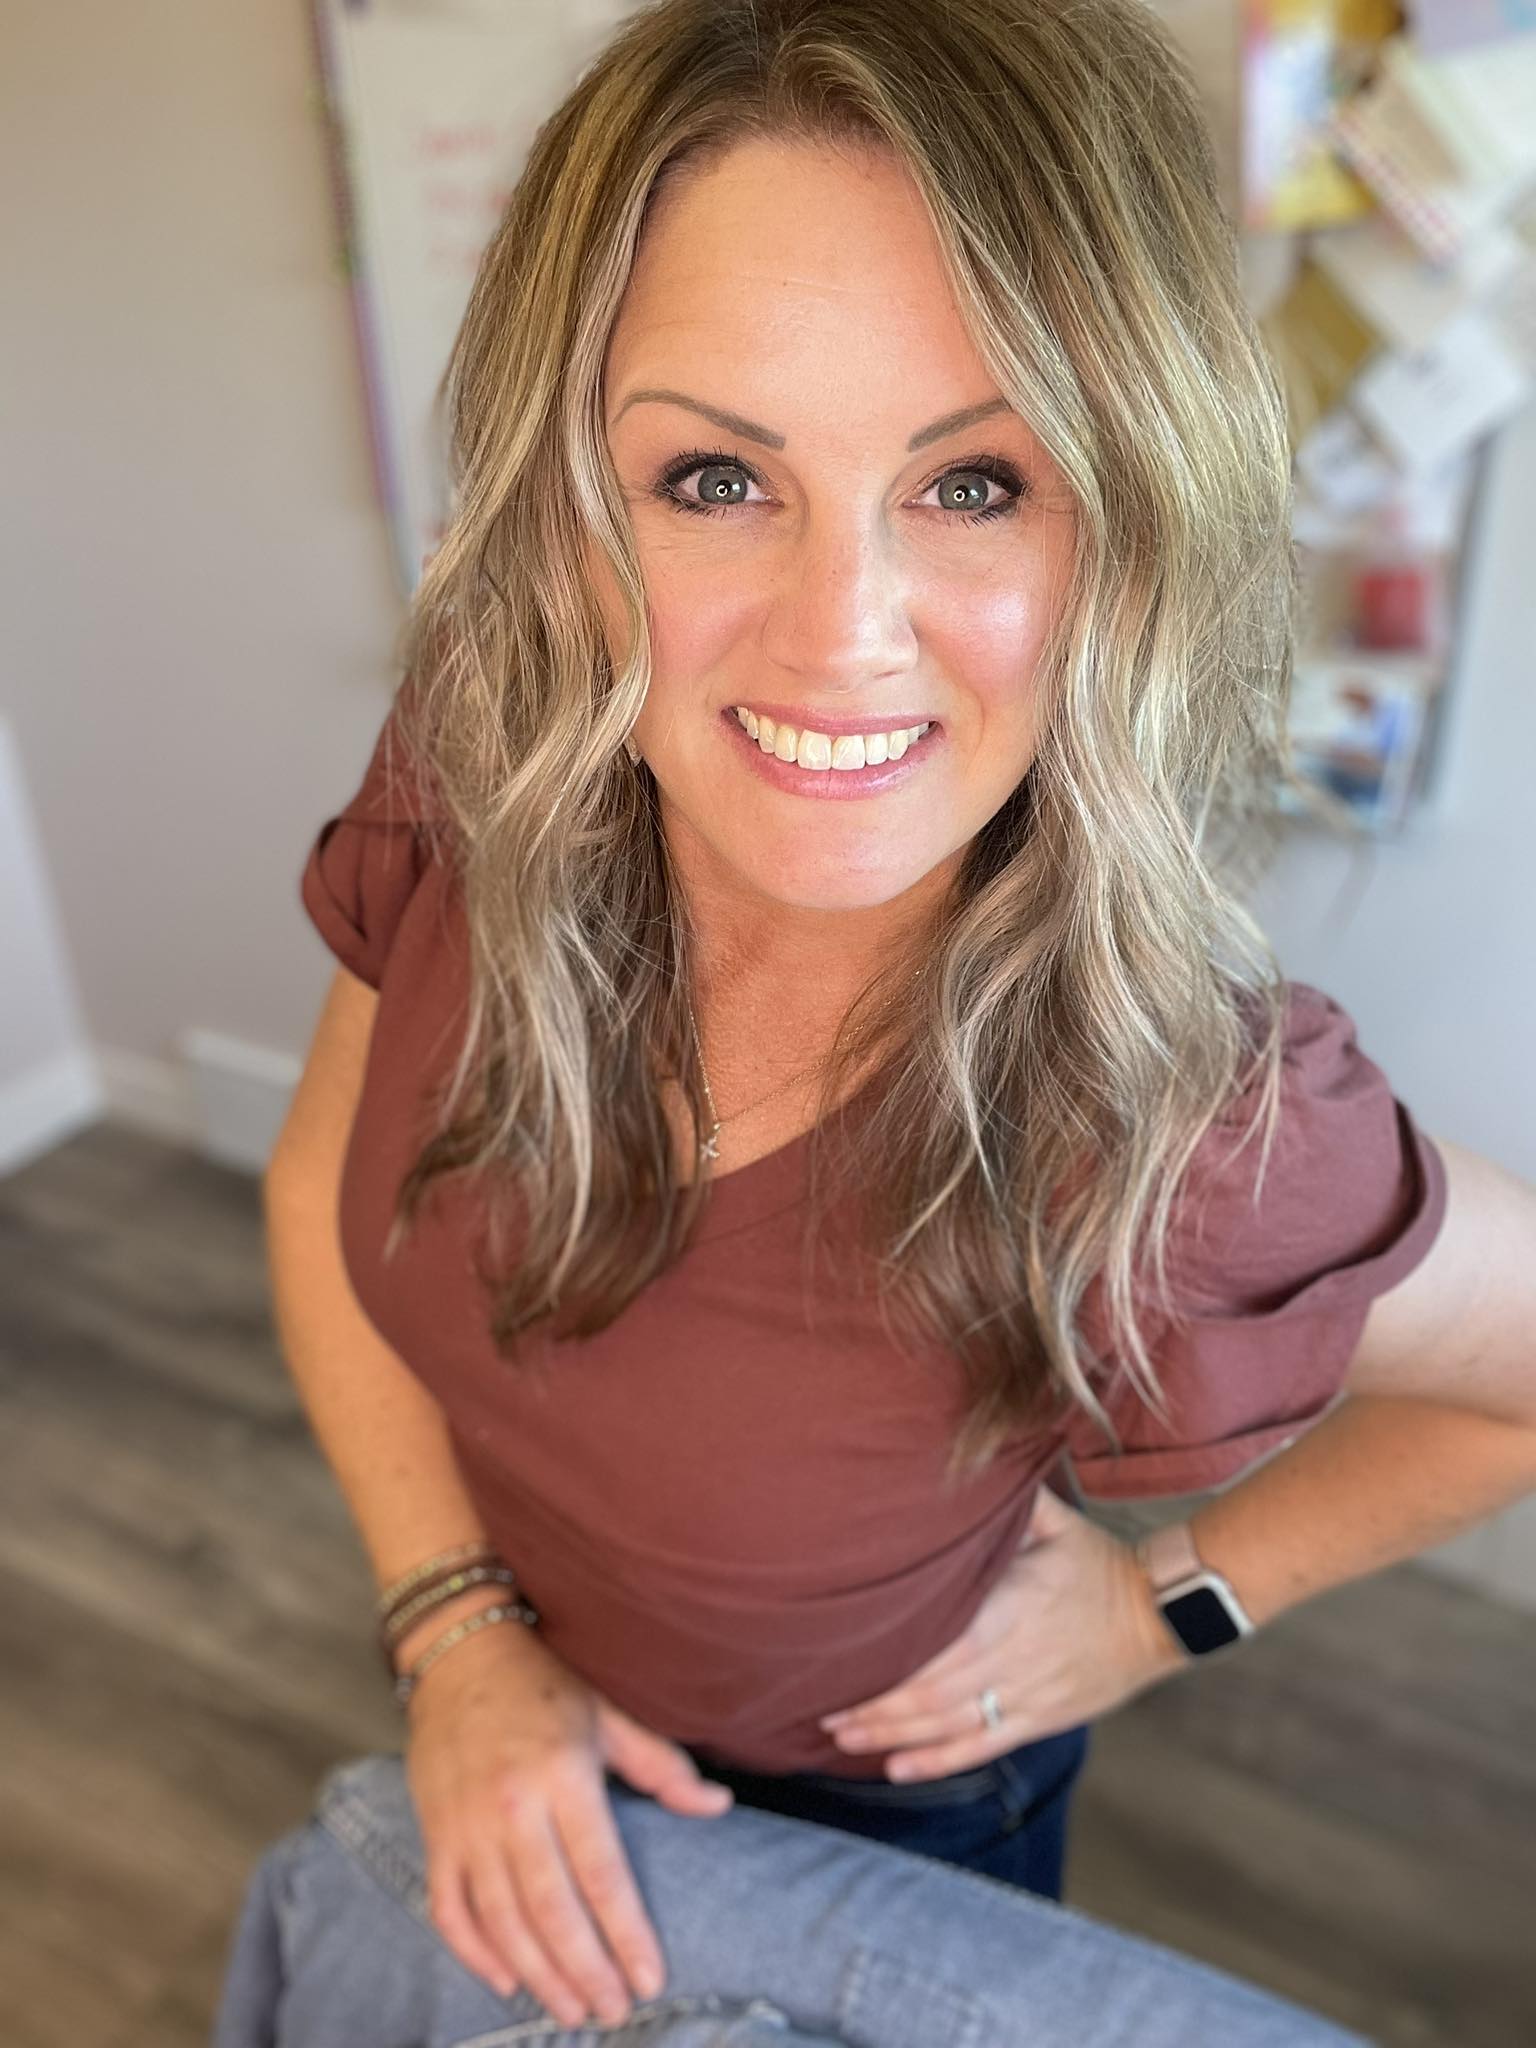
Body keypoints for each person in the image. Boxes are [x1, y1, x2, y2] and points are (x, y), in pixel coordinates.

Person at [261, 0, 1536, 2036]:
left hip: (892, 1834)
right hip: (506, 1692)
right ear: (569, 514)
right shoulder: (477, 773)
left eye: (975, 483)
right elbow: (327, 1169)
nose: (842, 633)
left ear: (1126, 523)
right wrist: (457, 1627)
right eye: (710, 475)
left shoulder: (1195, 1124)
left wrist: (1159, 1600)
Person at [210, 1750, 1370, 2047]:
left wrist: (1164, 1605)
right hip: (611, 1699)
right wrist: (453, 1610)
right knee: (401, 1857)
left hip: (936, 1759)